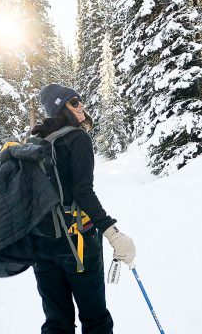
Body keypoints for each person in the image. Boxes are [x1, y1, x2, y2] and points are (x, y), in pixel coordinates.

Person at [30, 83, 136, 334]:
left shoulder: (35, 142)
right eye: (75, 102)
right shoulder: (77, 138)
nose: (82, 106)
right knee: (95, 319)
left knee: (56, 321)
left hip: (41, 245)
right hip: (78, 242)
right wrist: (113, 233)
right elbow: (83, 192)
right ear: (62, 109)